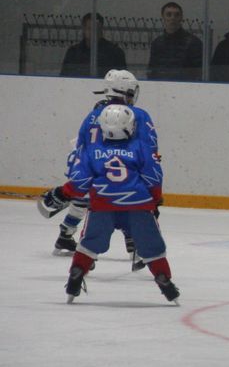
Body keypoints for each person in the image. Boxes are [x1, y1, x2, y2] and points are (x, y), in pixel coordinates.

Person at [41, 104, 179, 304]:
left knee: (89, 245)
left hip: (102, 207)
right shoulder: (141, 147)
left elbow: (80, 182)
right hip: (138, 206)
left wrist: (62, 193)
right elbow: (154, 177)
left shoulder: (92, 150)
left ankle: (76, 274)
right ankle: (164, 281)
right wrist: (155, 201)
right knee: (152, 247)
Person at [39, 70, 158, 261]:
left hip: (89, 161)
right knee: (124, 198)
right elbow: (148, 146)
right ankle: (132, 242)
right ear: (124, 91)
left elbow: (82, 141)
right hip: (118, 164)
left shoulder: (95, 112)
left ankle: (66, 234)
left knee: (85, 196)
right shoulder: (137, 115)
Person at [147, 2, 203, 81]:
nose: (172, 18)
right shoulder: (157, 43)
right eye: (169, 14)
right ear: (163, 17)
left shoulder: (194, 43)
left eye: (177, 15)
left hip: (186, 88)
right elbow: (152, 71)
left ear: (181, 18)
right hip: (161, 87)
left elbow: (199, 72)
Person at [60, 13, 127, 78]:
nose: (93, 32)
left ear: (101, 30)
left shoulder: (115, 53)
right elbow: (64, 78)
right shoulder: (73, 53)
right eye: (90, 28)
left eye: (97, 29)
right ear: (84, 29)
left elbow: (123, 79)